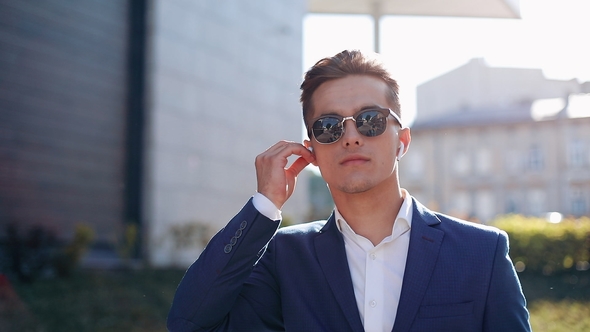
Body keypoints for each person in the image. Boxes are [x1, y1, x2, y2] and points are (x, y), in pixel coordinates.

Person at [167, 50, 531, 332]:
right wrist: (264, 205)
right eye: (329, 127)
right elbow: (190, 325)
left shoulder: (481, 252)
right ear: (311, 150)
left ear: (402, 141)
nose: (352, 135)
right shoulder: (285, 259)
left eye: (370, 119)